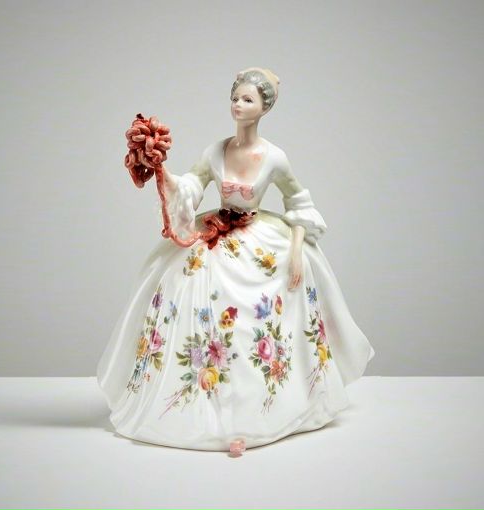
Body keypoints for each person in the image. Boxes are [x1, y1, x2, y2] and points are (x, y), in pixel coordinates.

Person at [96, 67, 375, 452]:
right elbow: (192, 187)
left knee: (257, 319)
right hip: (215, 234)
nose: (238, 105)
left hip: (259, 238)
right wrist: (162, 170)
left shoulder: (274, 157)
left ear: (264, 108)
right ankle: (207, 413)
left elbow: (298, 202)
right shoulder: (215, 150)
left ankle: (256, 417)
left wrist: (296, 249)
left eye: (247, 99)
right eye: (235, 98)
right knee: (194, 299)